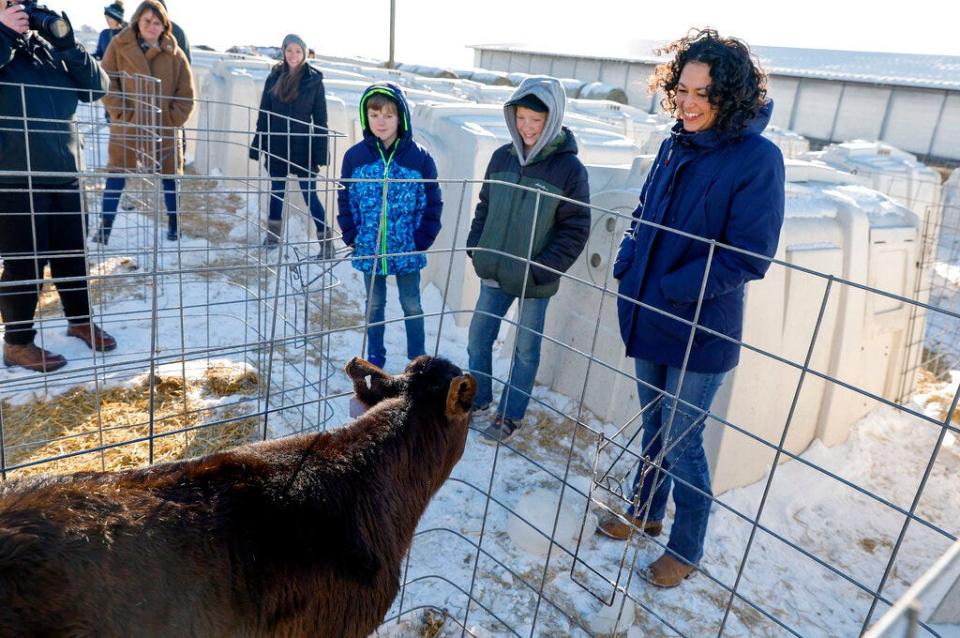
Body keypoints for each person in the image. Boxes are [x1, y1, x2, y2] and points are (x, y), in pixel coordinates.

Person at [598, 29, 785, 588]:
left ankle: (686, 545)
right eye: (682, 88)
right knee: (653, 425)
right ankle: (645, 509)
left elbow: (749, 256)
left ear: (732, 96)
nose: (690, 101)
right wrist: (630, 259)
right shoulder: (674, 142)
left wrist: (675, 287)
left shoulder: (757, 159)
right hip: (647, 307)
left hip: (701, 326)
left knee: (683, 441)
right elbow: (643, 211)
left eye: (705, 92)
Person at [465, 76, 590, 445]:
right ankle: (481, 399)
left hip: (536, 279)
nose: (528, 127)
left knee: (524, 349)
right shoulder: (501, 157)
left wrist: (541, 268)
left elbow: (576, 228)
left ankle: (510, 415)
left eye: (536, 120)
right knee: (478, 338)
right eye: (521, 118)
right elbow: (485, 205)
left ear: (552, 120)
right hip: (494, 268)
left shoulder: (569, 170)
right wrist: (477, 246)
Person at [0, 0, 117, 372]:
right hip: (16, 178)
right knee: (25, 264)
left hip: (65, 171)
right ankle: (17, 343)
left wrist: (66, 44)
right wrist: (3, 32)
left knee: (72, 254)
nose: (19, 9)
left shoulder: (45, 50)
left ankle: (79, 320)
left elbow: (98, 87)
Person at [336, 83, 442, 370]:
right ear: (366, 118)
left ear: (401, 118)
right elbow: (345, 197)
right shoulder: (355, 157)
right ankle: (375, 357)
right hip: (369, 245)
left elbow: (433, 200)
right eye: (374, 115)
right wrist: (351, 233)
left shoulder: (419, 158)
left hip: (407, 247)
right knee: (374, 305)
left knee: (411, 304)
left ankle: (417, 360)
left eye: (388, 115)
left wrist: (423, 237)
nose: (380, 122)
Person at [93, 0, 194, 244]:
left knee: (170, 177)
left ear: (164, 26)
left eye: (157, 22)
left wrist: (171, 120)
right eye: (147, 20)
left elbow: (186, 95)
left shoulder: (175, 53)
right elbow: (107, 81)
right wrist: (122, 114)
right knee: (116, 175)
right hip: (129, 125)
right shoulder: (119, 45)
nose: (152, 25)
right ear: (138, 19)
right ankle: (104, 228)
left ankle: (174, 224)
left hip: (163, 127)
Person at [249, 33, 333, 255]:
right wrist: (258, 143)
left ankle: (326, 243)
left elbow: (321, 120)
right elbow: (264, 112)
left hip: (303, 147)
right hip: (277, 145)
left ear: (304, 53)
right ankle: (273, 237)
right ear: (283, 51)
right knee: (277, 191)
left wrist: (321, 153)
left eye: (298, 50)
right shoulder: (274, 77)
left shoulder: (314, 81)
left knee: (309, 195)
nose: (293, 55)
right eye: (289, 50)